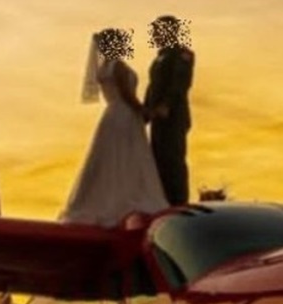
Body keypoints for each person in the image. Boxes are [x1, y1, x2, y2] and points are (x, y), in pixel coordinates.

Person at [59, 28, 169, 227]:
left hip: (112, 116)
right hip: (124, 115)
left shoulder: (103, 68)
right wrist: (147, 112)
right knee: (127, 158)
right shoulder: (117, 66)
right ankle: (123, 202)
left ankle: (108, 201)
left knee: (111, 161)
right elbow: (127, 95)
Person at [144, 16, 195, 206]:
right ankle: (163, 199)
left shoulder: (183, 54)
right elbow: (153, 87)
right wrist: (146, 110)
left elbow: (180, 83)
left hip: (174, 116)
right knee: (159, 159)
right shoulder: (159, 57)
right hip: (157, 118)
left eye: (159, 30)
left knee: (173, 159)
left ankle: (178, 200)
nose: (156, 35)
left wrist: (166, 105)